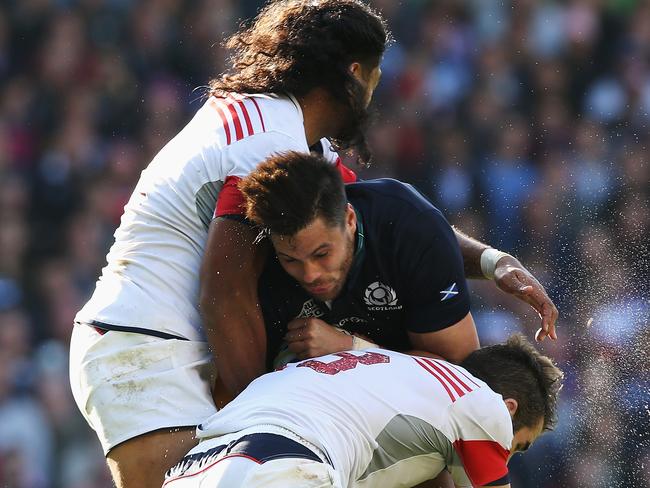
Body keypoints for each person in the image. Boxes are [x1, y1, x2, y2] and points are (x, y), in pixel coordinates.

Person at [69, 1, 556, 487]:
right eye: (376, 75)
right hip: (146, 349)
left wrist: (491, 261)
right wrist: (263, 417)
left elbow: (384, 219)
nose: (376, 90)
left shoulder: (296, 141)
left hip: (170, 346)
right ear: (354, 73)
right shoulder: (265, 144)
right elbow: (226, 292)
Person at [162, 334, 564, 487]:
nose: (505, 455)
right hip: (283, 466)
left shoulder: (381, 367)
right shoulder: (482, 401)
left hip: (194, 467)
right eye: (518, 445)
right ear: (508, 408)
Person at [240, 151, 479, 366]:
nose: (310, 274)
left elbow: (458, 372)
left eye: (322, 254)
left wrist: (352, 348)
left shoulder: (411, 230)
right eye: (290, 260)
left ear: (350, 220)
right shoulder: (256, 260)